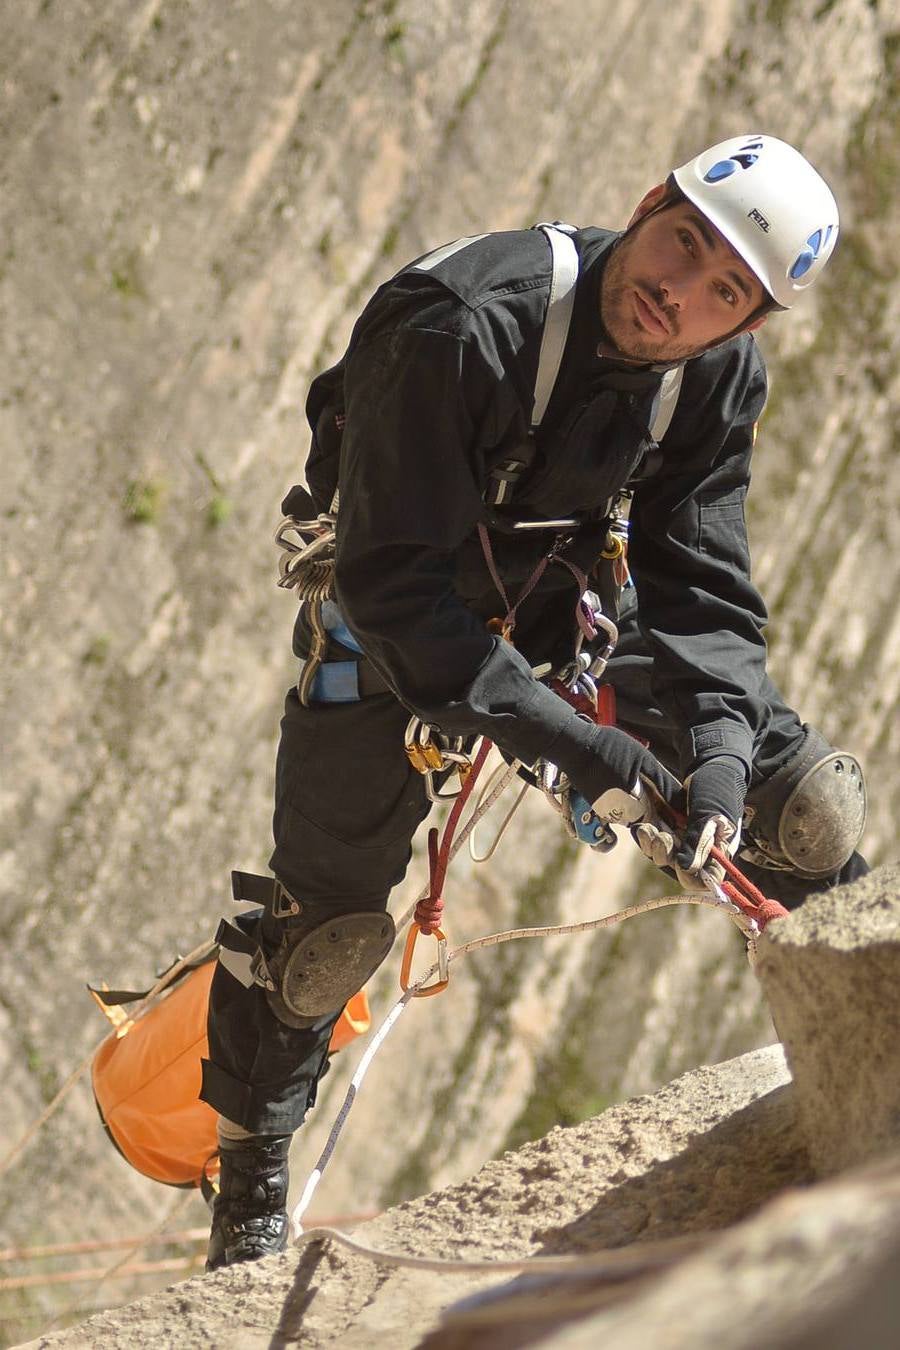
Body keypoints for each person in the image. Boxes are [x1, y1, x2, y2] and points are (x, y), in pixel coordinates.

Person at [201, 134, 868, 1271]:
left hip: (567, 602)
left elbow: (699, 574)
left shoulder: (711, 374)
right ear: (648, 202)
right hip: (394, 618)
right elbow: (397, 588)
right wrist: (586, 748)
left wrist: (714, 747)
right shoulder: (465, 323)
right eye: (684, 241)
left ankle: (874, 1020)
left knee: (803, 810)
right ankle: (250, 1195)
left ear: (747, 325)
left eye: (724, 292)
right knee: (326, 934)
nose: (679, 292)